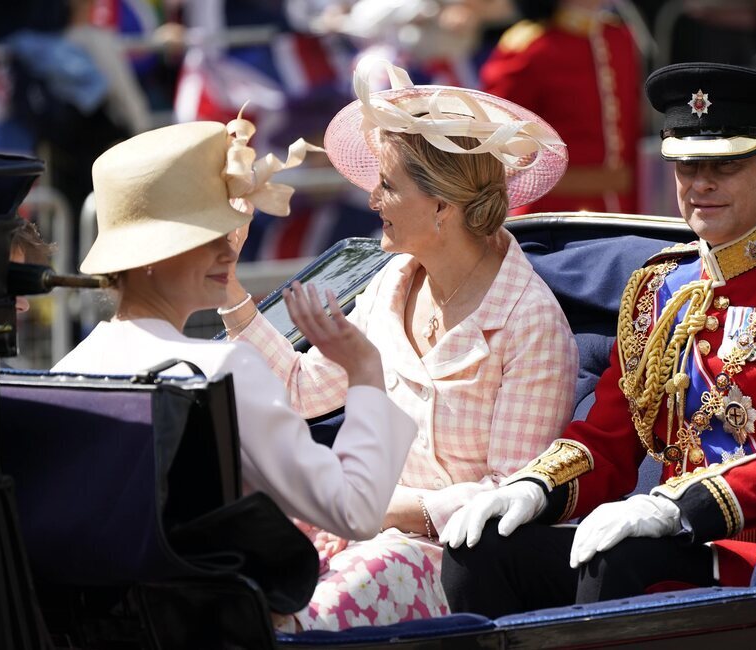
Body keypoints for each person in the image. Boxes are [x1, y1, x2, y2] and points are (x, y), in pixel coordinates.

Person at [440, 62, 756, 616]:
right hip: (657, 536)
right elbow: (610, 435)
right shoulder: (659, 286)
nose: (700, 183)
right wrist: (535, 487)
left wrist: (672, 507)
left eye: (723, 166)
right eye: (685, 165)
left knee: (618, 559)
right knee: (479, 549)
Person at [218, 56, 578, 630]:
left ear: (442, 205)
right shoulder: (390, 283)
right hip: (358, 526)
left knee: (302, 619)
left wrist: (370, 509)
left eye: (387, 185)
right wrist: (228, 283)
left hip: (456, 562)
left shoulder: (530, 321)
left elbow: (509, 495)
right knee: (231, 578)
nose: (371, 201)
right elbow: (300, 388)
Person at [51, 116, 418, 545]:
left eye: (226, 232)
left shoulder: (71, 365)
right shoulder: (224, 370)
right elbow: (354, 511)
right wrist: (366, 371)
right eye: (208, 235)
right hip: (213, 606)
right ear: (148, 256)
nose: (229, 251)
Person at [479, 0, 641, 214]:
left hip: (623, 207)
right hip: (553, 211)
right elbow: (494, 136)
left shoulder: (619, 37)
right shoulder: (530, 47)